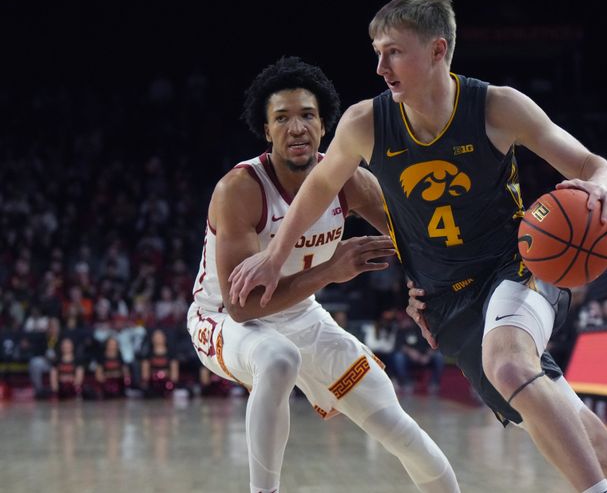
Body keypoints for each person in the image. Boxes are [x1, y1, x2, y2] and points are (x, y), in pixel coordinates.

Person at [228, 0, 607, 493]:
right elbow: (317, 189)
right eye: (377, 53)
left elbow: (597, 167)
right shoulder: (364, 123)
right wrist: (274, 256)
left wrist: (602, 190)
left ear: (438, 49)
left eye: (394, 51)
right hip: (448, 306)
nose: (381, 68)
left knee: (508, 363)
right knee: (585, 437)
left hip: (517, 267)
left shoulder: (497, 108)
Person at [187, 56, 458, 493]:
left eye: (307, 115)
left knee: (401, 432)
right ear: (267, 129)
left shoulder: (348, 179)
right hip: (221, 318)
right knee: (277, 359)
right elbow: (241, 307)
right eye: (282, 118)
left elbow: (417, 240)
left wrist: (431, 292)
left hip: (302, 315)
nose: (297, 127)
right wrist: (332, 270)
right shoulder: (239, 189)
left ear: (325, 124)